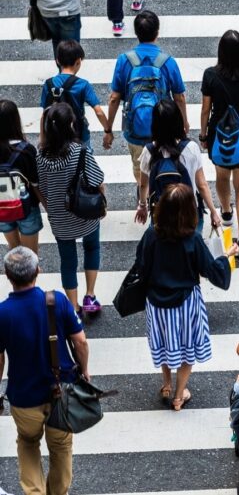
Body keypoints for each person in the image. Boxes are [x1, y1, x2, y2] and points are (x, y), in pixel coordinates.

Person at [137, 183, 234, 411]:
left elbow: (141, 266)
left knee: (164, 344)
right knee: (187, 349)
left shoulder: (152, 235)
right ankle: (179, 396)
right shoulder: (192, 239)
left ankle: (167, 384)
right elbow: (212, 270)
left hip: (157, 303)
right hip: (186, 302)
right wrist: (226, 257)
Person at [0, 247, 89, 495]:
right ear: (37, 271)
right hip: (61, 391)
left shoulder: (3, 313)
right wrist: (85, 370)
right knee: (61, 447)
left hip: (24, 397)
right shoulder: (56, 301)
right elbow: (80, 342)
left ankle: (35, 492)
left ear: (8, 275)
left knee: (28, 443)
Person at [104, 10, 188, 187]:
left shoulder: (124, 60)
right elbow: (179, 97)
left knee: (140, 166)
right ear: (157, 32)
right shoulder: (167, 62)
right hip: (164, 127)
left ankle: (145, 194)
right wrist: (184, 123)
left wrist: (108, 129)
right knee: (166, 160)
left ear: (136, 33)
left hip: (135, 127)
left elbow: (114, 98)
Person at [37, 103, 105, 317]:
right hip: (85, 214)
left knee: (68, 261)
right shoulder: (79, 152)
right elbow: (97, 180)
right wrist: (104, 201)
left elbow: (41, 188)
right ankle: (90, 295)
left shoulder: (40, 157)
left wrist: (49, 208)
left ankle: (74, 306)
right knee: (92, 248)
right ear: (71, 126)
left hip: (60, 217)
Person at [200, 30, 239, 256]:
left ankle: (226, 212)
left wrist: (203, 135)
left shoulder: (211, 75)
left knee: (222, 177)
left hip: (218, 134)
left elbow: (206, 108)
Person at [134, 99, 222, 236]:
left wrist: (142, 206)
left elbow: (144, 185)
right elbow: (202, 185)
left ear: (155, 125)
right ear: (178, 121)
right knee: (191, 251)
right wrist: (213, 211)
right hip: (189, 213)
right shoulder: (191, 148)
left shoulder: (149, 151)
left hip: (161, 216)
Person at [41, 40, 108, 150]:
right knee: (83, 161)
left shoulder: (48, 84)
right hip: (79, 134)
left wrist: (43, 137)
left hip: (54, 134)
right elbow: (98, 111)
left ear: (57, 61)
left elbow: (44, 113)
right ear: (78, 61)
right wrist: (108, 130)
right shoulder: (83, 84)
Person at [0, 101, 43, 253]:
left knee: (14, 251)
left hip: (2, 206)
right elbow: (36, 184)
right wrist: (49, 207)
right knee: (30, 256)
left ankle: (15, 275)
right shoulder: (26, 150)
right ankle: (30, 276)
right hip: (26, 207)